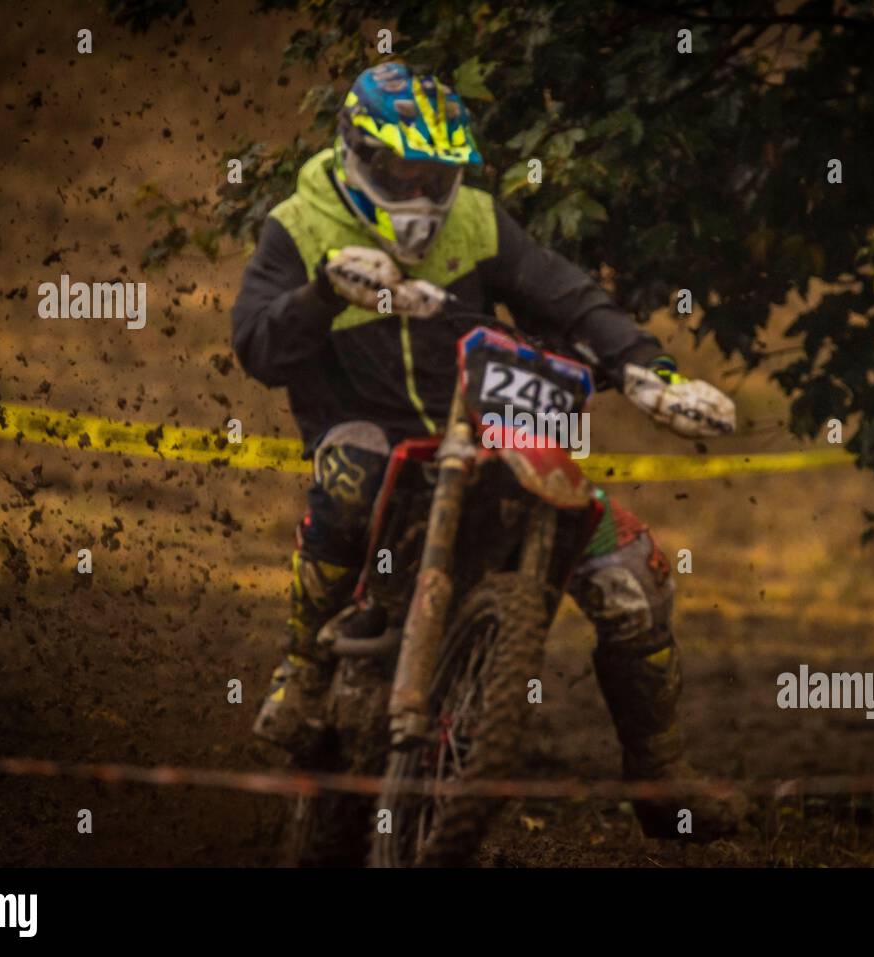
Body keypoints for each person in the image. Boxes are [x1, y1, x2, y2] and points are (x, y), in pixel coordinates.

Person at [231, 62, 738, 840]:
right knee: (346, 472)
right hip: (371, 436)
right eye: (402, 170)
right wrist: (325, 291)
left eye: (436, 173)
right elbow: (257, 348)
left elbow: (567, 296)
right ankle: (301, 670)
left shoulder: (476, 220)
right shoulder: (299, 225)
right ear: (357, 152)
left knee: (635, 580)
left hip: (491, 432)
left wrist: (653, 373)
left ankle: (662, 774)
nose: (421, 190)